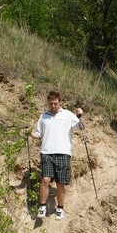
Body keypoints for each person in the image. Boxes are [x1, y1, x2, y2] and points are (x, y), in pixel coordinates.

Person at [27, 91, 84, 220]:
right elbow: (38, 134)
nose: (53, 106)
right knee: (45, 179)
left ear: (60, 102)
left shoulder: (68, 115)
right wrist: (29, 133)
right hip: (46, 152)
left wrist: (80, 115)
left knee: (60, 183)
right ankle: (42, 207)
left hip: (63, 152)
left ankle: (60, 208)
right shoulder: (43, 116)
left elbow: (81, 127)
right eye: (51, 103)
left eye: (55, 103)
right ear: (48, 103)